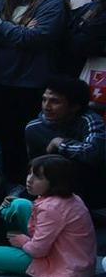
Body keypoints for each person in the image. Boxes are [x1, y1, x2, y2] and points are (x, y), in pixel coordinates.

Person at [0, 0, 67, 176]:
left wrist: (1, 25)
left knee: (21, 139)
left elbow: (35, 38)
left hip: (28, 81)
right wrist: (17, 31)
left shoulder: (53, 2)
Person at [0, 154, 99, 277]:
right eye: (30, 173)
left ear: (55, 182)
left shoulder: (52, 208)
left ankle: (7, 243)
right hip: (73, 258)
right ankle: (4, 236)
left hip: (65, 266)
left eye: (38, 177)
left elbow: (37, 251)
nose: (29, 180)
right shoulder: (70, 197)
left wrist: (22, 241)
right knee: (19, 204)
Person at [24, 75, 106, 212]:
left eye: (55, 101)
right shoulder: (34, 128)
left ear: (74, 106)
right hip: (50, 191)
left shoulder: (89, 120)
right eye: (44, 100)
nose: (47, 106)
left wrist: (61, 144)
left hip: (89, 188)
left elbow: (94, 153)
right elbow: (33, 165)